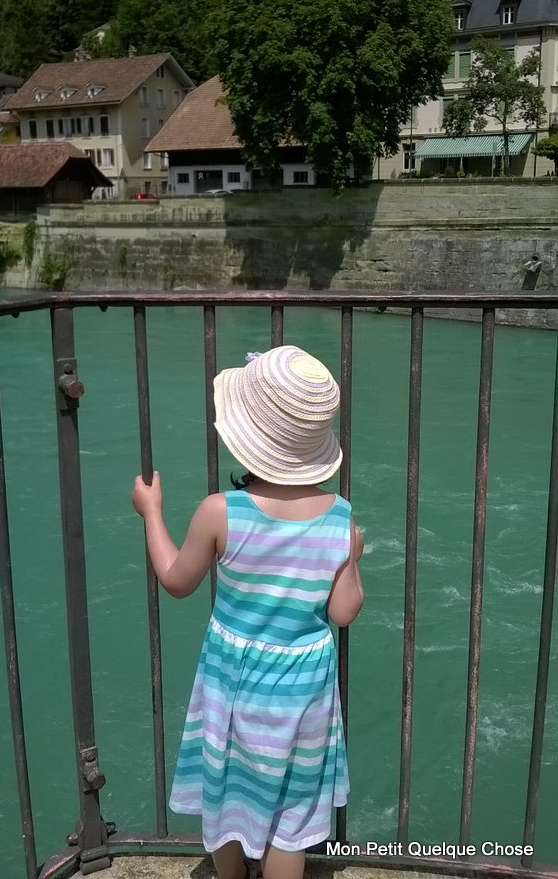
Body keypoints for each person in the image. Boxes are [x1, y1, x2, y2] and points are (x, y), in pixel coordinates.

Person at [132, 345, 364, 879]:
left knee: (228, 787)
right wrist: (352, 559)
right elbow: (344, 612)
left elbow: (176, 580)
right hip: (304, 683)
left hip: (233, 680)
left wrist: (152, 513)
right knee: (295, 811)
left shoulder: (221, 512)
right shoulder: (341, 518)